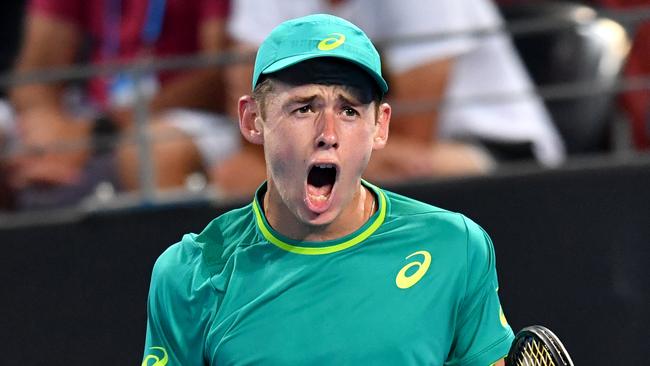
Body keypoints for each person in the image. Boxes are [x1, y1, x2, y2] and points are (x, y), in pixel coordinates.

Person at [142, 14, 514, 365]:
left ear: (380, 126)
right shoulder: (190, 273)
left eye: (349, 110)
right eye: (304, 108)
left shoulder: (456, 247)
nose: (328, 135)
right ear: (253, 119)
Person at [212, 0, 566, 197]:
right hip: (360, 145)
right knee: (237, 174)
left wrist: (292, 156)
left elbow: (412, 134)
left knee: (312, 182)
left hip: (493, 150)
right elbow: (253, 106)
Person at [8, 0, 239, 209]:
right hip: (93, 116)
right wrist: (46, 129)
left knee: (151, 151)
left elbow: (219, 75)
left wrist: (98, 131)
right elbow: (35, 72)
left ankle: (173, 256)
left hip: (191, 113)